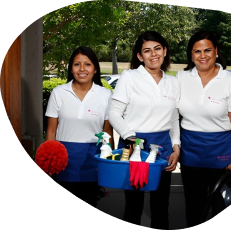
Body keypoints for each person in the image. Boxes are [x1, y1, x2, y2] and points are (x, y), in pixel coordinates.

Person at [108, 31, 180, 229]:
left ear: (165, 51)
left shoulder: (173, 82)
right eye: (147, 51)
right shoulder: (129, 77)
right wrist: (131, 139)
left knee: (160, 204)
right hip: (133, 148)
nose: (153, 54)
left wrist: (176, 146)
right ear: (140, 56)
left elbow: (173, 117)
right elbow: (114, 113)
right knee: (133, 205)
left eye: (157, 48)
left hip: (163, 149)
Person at [175, 30, 231, 228]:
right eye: (197, 51)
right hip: (191, 154)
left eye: (207, 50)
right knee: (194, 206)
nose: (202, 55)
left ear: (216, 51)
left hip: (221, 155)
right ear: (191, 55)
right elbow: (170, 113)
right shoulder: (180, 78)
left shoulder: (230, 82)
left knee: (219, 206)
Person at [45, 46, 114, 209]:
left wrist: (109, 163)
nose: (82, 69)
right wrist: (49, 164)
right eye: (77, 64)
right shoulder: (58, 93)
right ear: (71, 68)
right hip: (64, 162)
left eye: (87, 64)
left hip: (93, 160)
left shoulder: (106, 94)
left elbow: (108, 132)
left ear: (95, 69)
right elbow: (51, 131)